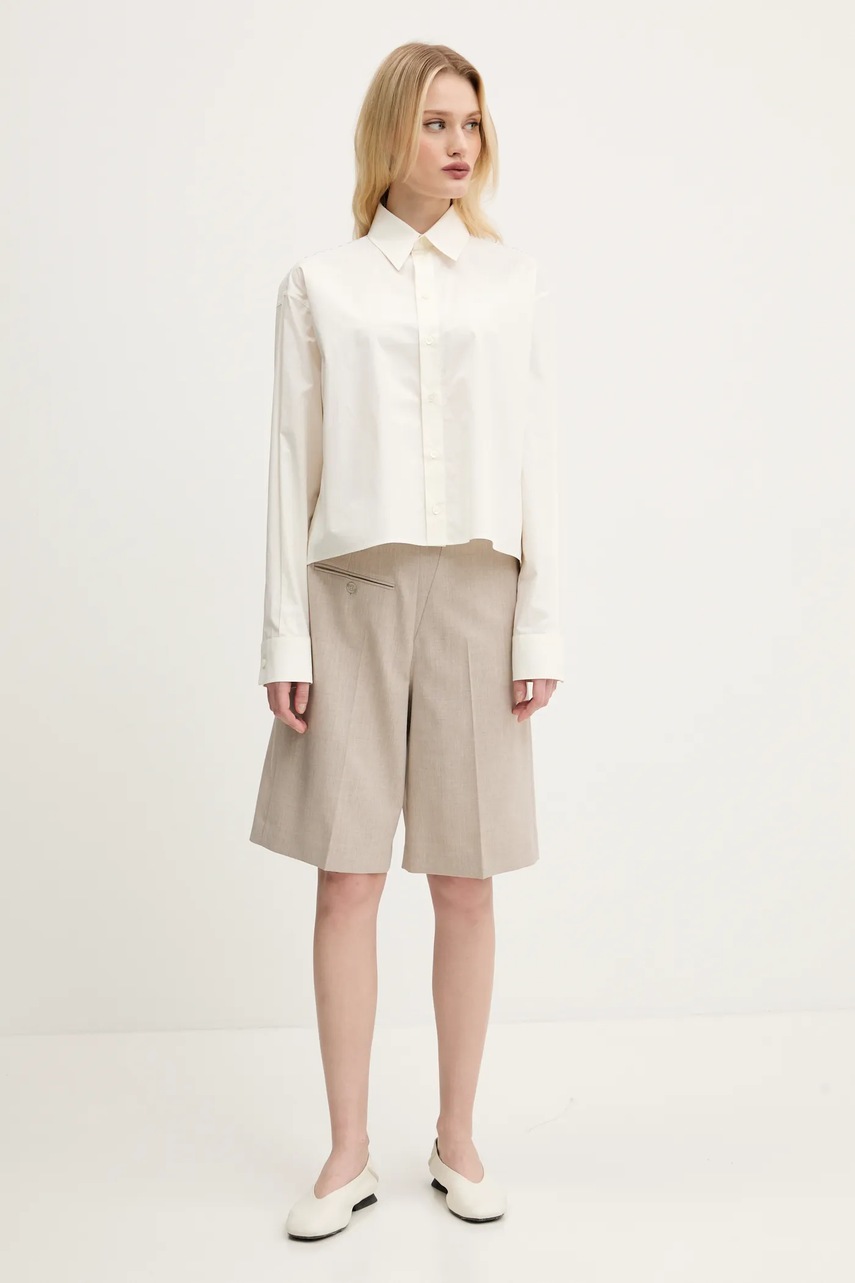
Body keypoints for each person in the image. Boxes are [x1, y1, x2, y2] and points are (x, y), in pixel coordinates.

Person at [249, 41, 565, 1241]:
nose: (457, 144)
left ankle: (457, 1136)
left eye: (470, 124)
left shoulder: (512, 282)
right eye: (436, 122)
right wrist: (284, 635)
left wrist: (540, 617)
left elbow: (537, 454)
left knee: (466, 877)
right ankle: (346, 1152)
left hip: (481, 589)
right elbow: (292, 460)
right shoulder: (321, 284)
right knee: (347, 876)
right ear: (392, 132)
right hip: (351, 589)